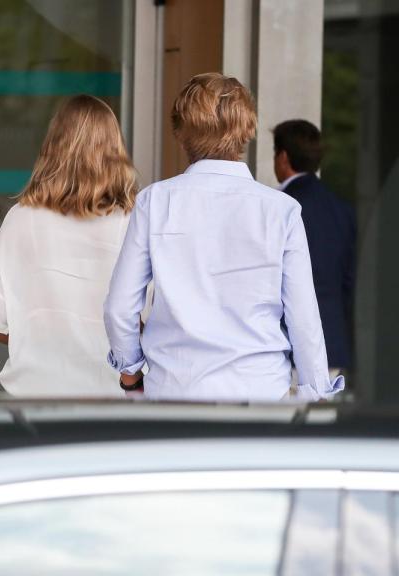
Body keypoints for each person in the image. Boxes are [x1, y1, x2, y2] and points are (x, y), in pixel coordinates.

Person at [104, 73, 343, 401]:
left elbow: (120, 308)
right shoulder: (281, 211)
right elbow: (304, 321)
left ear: (180, 133)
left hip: (174, 393)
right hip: (260, 395)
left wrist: (131, 377)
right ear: (247, 131)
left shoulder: (154, 202)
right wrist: (314, 398)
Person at [0, 95, 137, 397]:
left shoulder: (20, 219)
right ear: (115, 150)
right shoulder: (133, 223)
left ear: (53, 147)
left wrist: (40, 334)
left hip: (33, 403)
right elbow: (147, 320)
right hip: (110, 403)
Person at [273, 120, 355, 378]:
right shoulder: (342, 210)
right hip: (331, 346)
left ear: (283, 157)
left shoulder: (278, 207)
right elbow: (351, 283)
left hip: (284, 348)